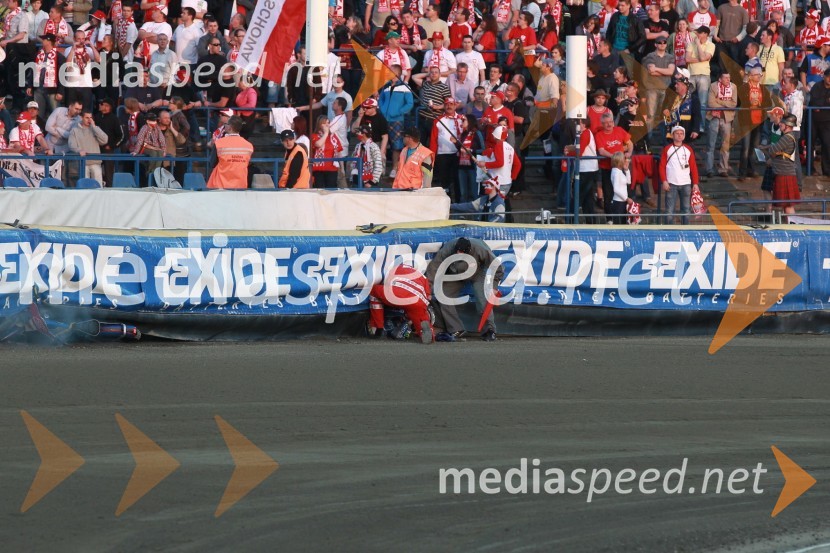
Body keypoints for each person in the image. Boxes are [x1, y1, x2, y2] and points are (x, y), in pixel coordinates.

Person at [425, 237, 504, 342]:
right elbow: (434, 266)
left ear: (469, 250)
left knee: (483, 299)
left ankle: (489, 330)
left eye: (462, 253)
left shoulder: (480, 249)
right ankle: (456, 329)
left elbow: (497, 266)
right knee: (442, 294)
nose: (459, 254)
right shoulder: (448, 248)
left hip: (477, 272)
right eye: (457, 251)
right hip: (456, 274)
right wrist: (427, 288)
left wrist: (494, 286)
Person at [367, 263, 435, 344]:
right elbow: (428, 296)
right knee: (420, 316)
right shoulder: (419, 274)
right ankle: (428, 334)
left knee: (374, 291)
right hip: (417, 300)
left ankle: (378, 329)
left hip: (397, 294)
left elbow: (385, 283)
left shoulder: (391, 269)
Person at [760, 113, 800, 215]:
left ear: (787, 125)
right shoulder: (786, 137)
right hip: (782, 173)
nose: (780, 124)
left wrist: (766, 149)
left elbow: (773, 150)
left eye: (782, 123)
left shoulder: (787, 138)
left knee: (788, 206)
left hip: (785, 174)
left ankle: (792, 224)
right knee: (786, 206)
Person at [659, 125, 700, 224]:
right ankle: (669, 231)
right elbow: (661, 166)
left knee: (686, 209)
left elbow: (693, 167)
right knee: (669, 210)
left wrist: (695, 183)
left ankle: (685, 230)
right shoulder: (667, 149)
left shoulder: (688, 149)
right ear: (672, 135)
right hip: (671, 184)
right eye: (677, 133)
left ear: (684, 136)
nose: (679, 135)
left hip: (686, 183)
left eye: (681, 133)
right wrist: (664, 181)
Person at [595, 112, 634, 217]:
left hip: (622, 167)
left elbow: (630, 143)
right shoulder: (599, 135)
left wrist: (629, 153)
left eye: (611, 122)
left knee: (625, 190)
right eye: (606, 123)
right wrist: (615, 157)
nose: (609, 124)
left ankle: (625, 216)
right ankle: (609, 219)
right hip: (607, 168)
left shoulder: (619, 130)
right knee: (608, 193)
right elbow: (601, 151)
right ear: (602, 124)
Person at [706, 72, 738, 178]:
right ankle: (709, 169)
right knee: (711, 145)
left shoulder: (733, 87)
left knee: (725, 145)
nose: (728, 79)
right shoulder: (713, 86)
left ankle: (723, 169)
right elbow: (711, 103)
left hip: (727, 118)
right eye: (726, 78)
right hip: (714, 117)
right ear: (720, 79)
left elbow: (733, 104)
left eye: (729, 77)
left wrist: (719, 101)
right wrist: (725, 104)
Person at [431, 98, 464, 200]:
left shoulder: (462, 119)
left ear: (455, 106)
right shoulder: (438, 120)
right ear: (444, 106)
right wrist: (432, 156)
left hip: (458, 154)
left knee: (457, 179)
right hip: (442, 154)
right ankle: (446, 201)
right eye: (447, 104)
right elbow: (433, 139)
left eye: (451, 104)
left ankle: (458, 201)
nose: (449, 106)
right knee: (444, 180)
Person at [205, 118, 252, 188]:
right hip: (240, 185)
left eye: (225, 124)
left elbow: (212, 163)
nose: (224, 126)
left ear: (230, 127)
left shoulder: (219, 143)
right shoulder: (249, 146)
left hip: (220, 185)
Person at [477, 125, 521, 196]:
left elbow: (500, 163)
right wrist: (512, 177)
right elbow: (518, 164)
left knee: (494, 201)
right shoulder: (510, 147)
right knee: (499, 201)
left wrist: (485, 164)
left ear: (495, 136)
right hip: (507, 182)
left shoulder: (498, 145)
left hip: (498, 182)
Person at [68, 110, 109, 185]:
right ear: (81, 118)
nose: (89, 120)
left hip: (95, 162)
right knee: (85, 187)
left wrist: (94, 127)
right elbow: (71, 144)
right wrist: (79, 150)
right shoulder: (74, 130)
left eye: (91, 118)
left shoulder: (95, 129)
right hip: (83, 163)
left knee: (98, 186)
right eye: (87, 118)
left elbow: (105, 140)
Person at [311, 116, 344, 188]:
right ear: (319, 124)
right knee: (319, 190)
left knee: (331, 190)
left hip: (332, 168)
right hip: (318, 169)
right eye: (324, 123)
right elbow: (318, 144)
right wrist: (326, 133)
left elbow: (339, 152)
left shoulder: (333, 137)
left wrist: (342, 168)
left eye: (328, 123)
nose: (327, 125)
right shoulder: (314, 136)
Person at [808, 68, 830, 176]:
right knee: (810, 144)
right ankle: (810, 169)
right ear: (824, 76)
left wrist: (822, 104)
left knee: (827, 144)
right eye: (828, 76)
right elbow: (814, 102)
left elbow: (819, 104)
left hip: (827, 121)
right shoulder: (817, 86)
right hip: (813, 120)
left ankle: (827, 170)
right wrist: (827, 101)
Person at [609, 152, 633, 224]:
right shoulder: (616, 172)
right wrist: (626, 198)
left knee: (623, 222)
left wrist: (627, 170)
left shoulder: (619, 171)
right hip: (618, 202)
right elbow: (616, 189)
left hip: (622, 201)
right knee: (619, 223)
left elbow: (628, 181)